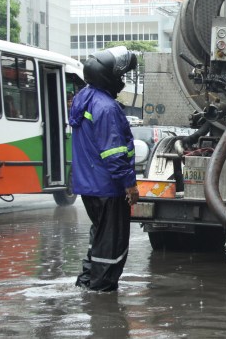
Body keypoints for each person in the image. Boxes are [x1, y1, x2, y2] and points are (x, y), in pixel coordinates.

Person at [70, 46, 140, 292]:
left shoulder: (84, 98)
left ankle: (87, 283)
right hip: (108, 187)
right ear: (107, 77)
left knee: (99, 239)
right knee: (112, 246)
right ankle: (100, 294)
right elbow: (114, 153)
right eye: (119, 76)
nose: (121, 81)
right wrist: (130, 184)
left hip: (89, 186)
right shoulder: (107, 108)